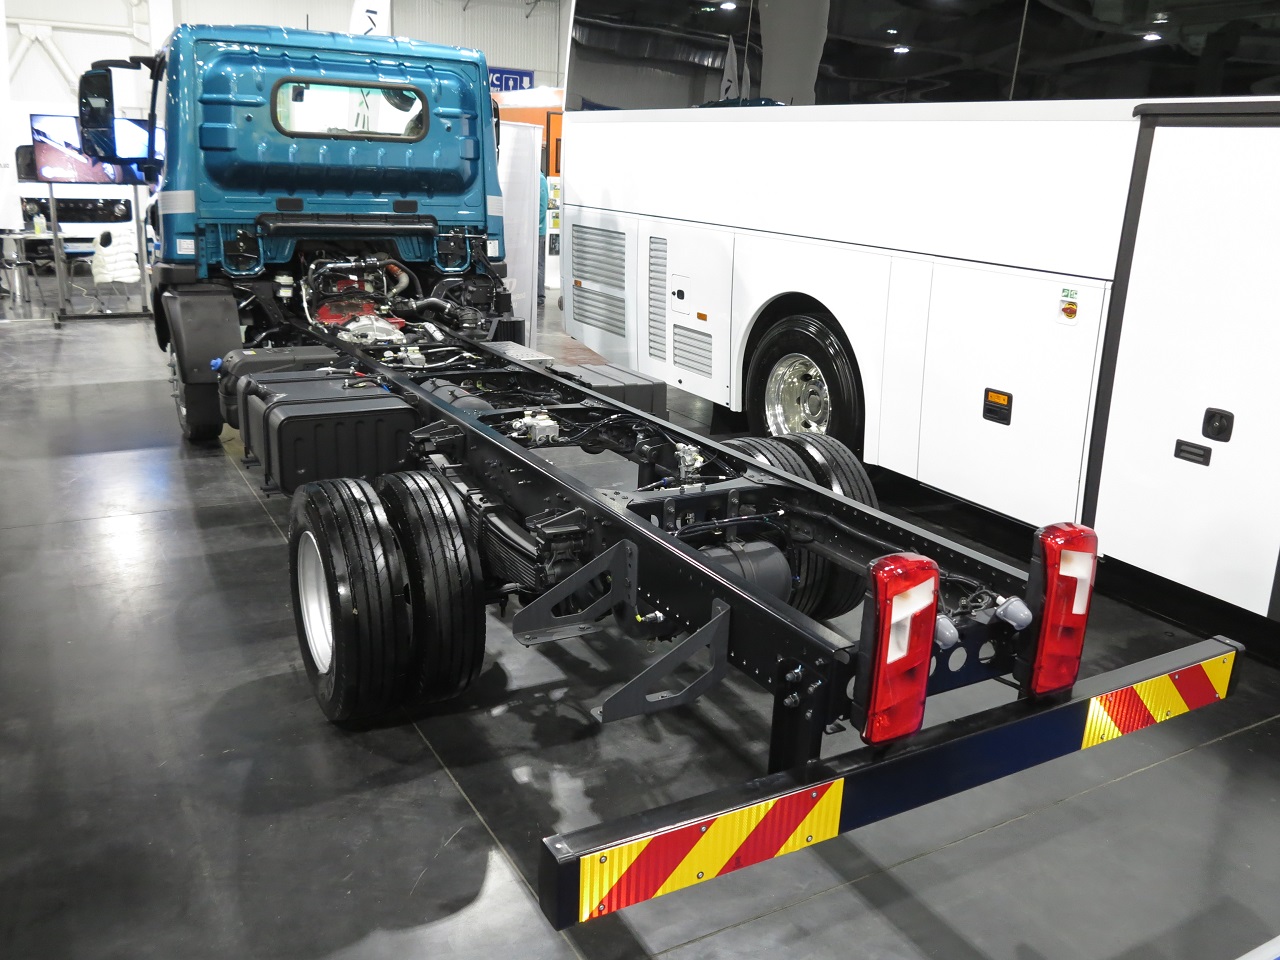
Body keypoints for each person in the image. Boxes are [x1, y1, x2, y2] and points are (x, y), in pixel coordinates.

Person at [537, 171, 548, 308]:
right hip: (532, 231)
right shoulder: (534, 179)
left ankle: (539, 296)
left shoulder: (540, 180)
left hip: (538, 231)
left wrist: (534, 225)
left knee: (538, 264)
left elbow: (542, 208)